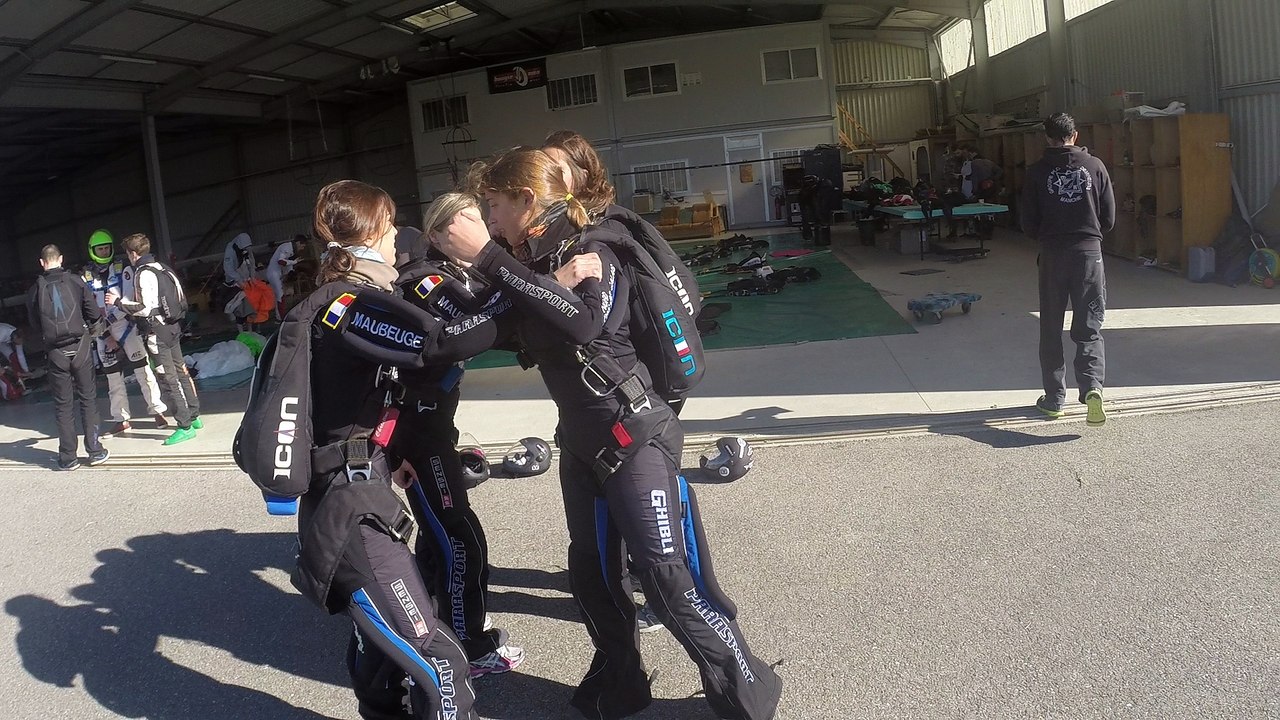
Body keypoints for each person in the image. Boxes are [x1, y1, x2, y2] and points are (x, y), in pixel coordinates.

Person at [440, 148, 782, 720]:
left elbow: (584, 322)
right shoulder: (535, 265)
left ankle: (747, 691)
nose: (491, 220)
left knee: (664, 577)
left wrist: (494, 259)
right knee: (593, 574)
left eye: (496, 206)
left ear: (528, 201)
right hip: (579, 441)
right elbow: (490, 326)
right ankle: (619, 685)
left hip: (633, 434)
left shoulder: (592, 248)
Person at [301, 179, 514, 719]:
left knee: (381, 656)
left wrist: (389, 455)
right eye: (390, 223)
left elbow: (361, 400)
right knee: (441, 663)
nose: (399, 234)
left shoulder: (344, 299)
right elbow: (441, 342)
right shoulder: (349, 304)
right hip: (350, 504)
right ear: (368, 234)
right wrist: (529, 290)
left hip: (358, 486)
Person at [378, 193, 526, 681]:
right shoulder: (428, 280)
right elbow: (481, 323)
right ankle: (468, 644)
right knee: (462, 541)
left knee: (436, 541)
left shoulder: (438, 274)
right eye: (467, 218)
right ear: (440, 234)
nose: (479, 225)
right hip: (420, 435)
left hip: (423, 429)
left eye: (480, 218)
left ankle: (426, 627)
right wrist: (537, 282)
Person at [1022, 112, 1114, 426]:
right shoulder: (1096, 167)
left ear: (1047, 138)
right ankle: (1092, 389)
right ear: (1075, 135)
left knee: (1051, 327)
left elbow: (1027, 223)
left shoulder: (1035, 173)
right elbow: (1109, 218)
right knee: (1089, 325)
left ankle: (1054, 399)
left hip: (1052, 256)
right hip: (1089, 256)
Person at [107, 234, 201, 445]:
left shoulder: (143, 273)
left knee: (167, 378)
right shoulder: (163, 268)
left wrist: (118, 302)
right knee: (181, 371)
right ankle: (194, 416)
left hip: (156, 331)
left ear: (132, 254)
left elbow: (144, 308)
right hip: (173, 327)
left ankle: (184, 425)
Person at [26, 244, 110, 471]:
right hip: (80, 347)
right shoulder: (76, 281)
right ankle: (94, 450)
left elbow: (34, 325)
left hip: (55, 352)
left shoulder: (35, 290)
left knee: (63, 405)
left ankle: (68, 458)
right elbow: (93, 313)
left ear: (42, 263)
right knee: (88, 399)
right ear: (61, 259)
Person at [81, 229, 169, 436]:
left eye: (106, 248)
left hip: (126, 326)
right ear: (92, 251)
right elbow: (86, 307)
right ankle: (122, 419)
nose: (103, 252)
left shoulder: (124, 269)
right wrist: (104, 334)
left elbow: (132, 297)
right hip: (102, 332)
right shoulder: (84, 276)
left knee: (144, 370)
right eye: (100, 249)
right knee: (113, 378)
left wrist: (119, 318)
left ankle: (157, 410)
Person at [265, 237, 300, 320]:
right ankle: (283, 318)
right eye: (302, 246)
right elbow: (281, 261)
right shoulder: (286, 247)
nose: (301, 248)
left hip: (277, 273)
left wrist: (291, 271)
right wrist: (294, 262)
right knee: (280, 296)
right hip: (274, 274)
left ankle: (279, 317)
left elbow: (287, 264)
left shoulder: (290, 249)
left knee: (278, 296)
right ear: (298, 242)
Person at [0, 323, 31, 400]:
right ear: (15, 337)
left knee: (14, 358)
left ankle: (20, 386)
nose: (20, 343)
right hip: (1, 339)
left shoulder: (17, 335)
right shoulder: (2, 333)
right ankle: (6, 393)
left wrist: (26, 371)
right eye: (19, 341)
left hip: (2, 342)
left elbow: (20, 355)